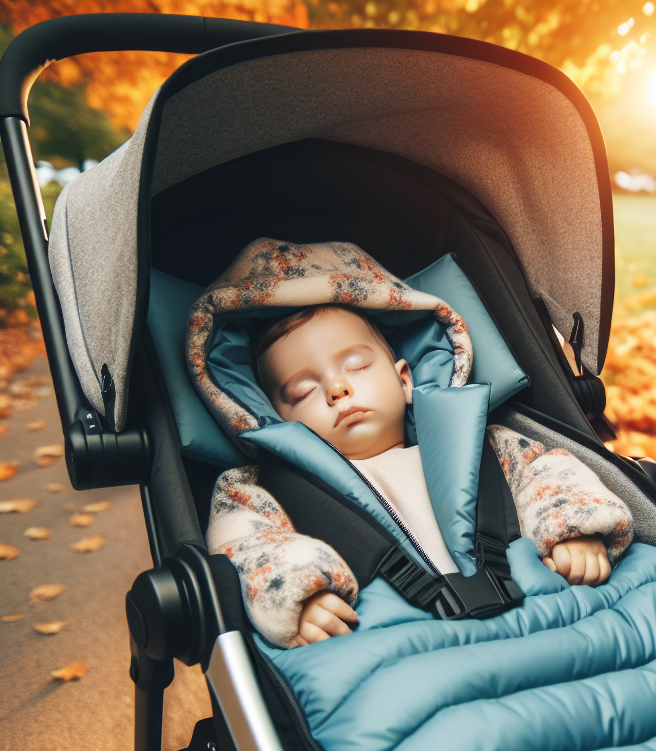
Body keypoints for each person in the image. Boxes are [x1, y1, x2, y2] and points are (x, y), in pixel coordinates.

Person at [200, 247, 633, 649]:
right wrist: (299, 592)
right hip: (398, 646)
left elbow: (548, 474)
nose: (337, 388)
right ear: (276, 417)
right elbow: (247, 545)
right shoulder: (259, 490)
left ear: (404, 380)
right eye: (302, 391)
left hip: (556, 619)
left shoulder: (480, 444)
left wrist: (574, 528)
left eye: (357, 366)